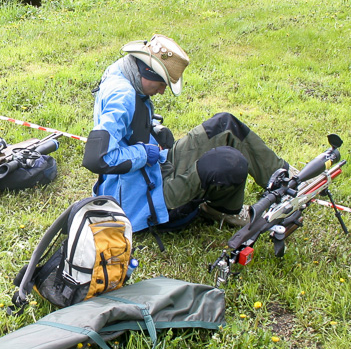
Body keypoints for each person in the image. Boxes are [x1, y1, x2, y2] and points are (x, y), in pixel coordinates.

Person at [82, 34, 291, 234]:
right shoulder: (122, 96)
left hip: (155, 167)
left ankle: (286, 179)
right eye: (163, 83)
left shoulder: (125, 70)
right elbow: (97, 159)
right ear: (148, 71)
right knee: (229, 163)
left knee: (225, 124)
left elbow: (128, 126)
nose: (163, 91)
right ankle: (225, 212)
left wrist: (152, 131)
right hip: (142, 199)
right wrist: (144, 153)